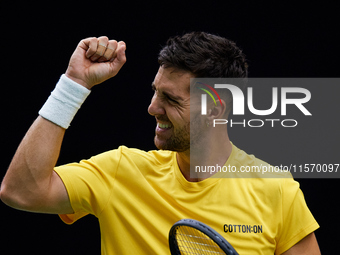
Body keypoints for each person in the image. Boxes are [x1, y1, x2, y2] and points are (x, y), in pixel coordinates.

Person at [0, 32, 320, 254]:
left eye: (170, 99)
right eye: (155, 90)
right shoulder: (122, 171)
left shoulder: (276, 190)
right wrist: (74, 84)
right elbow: (20, 191)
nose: (153, 107)